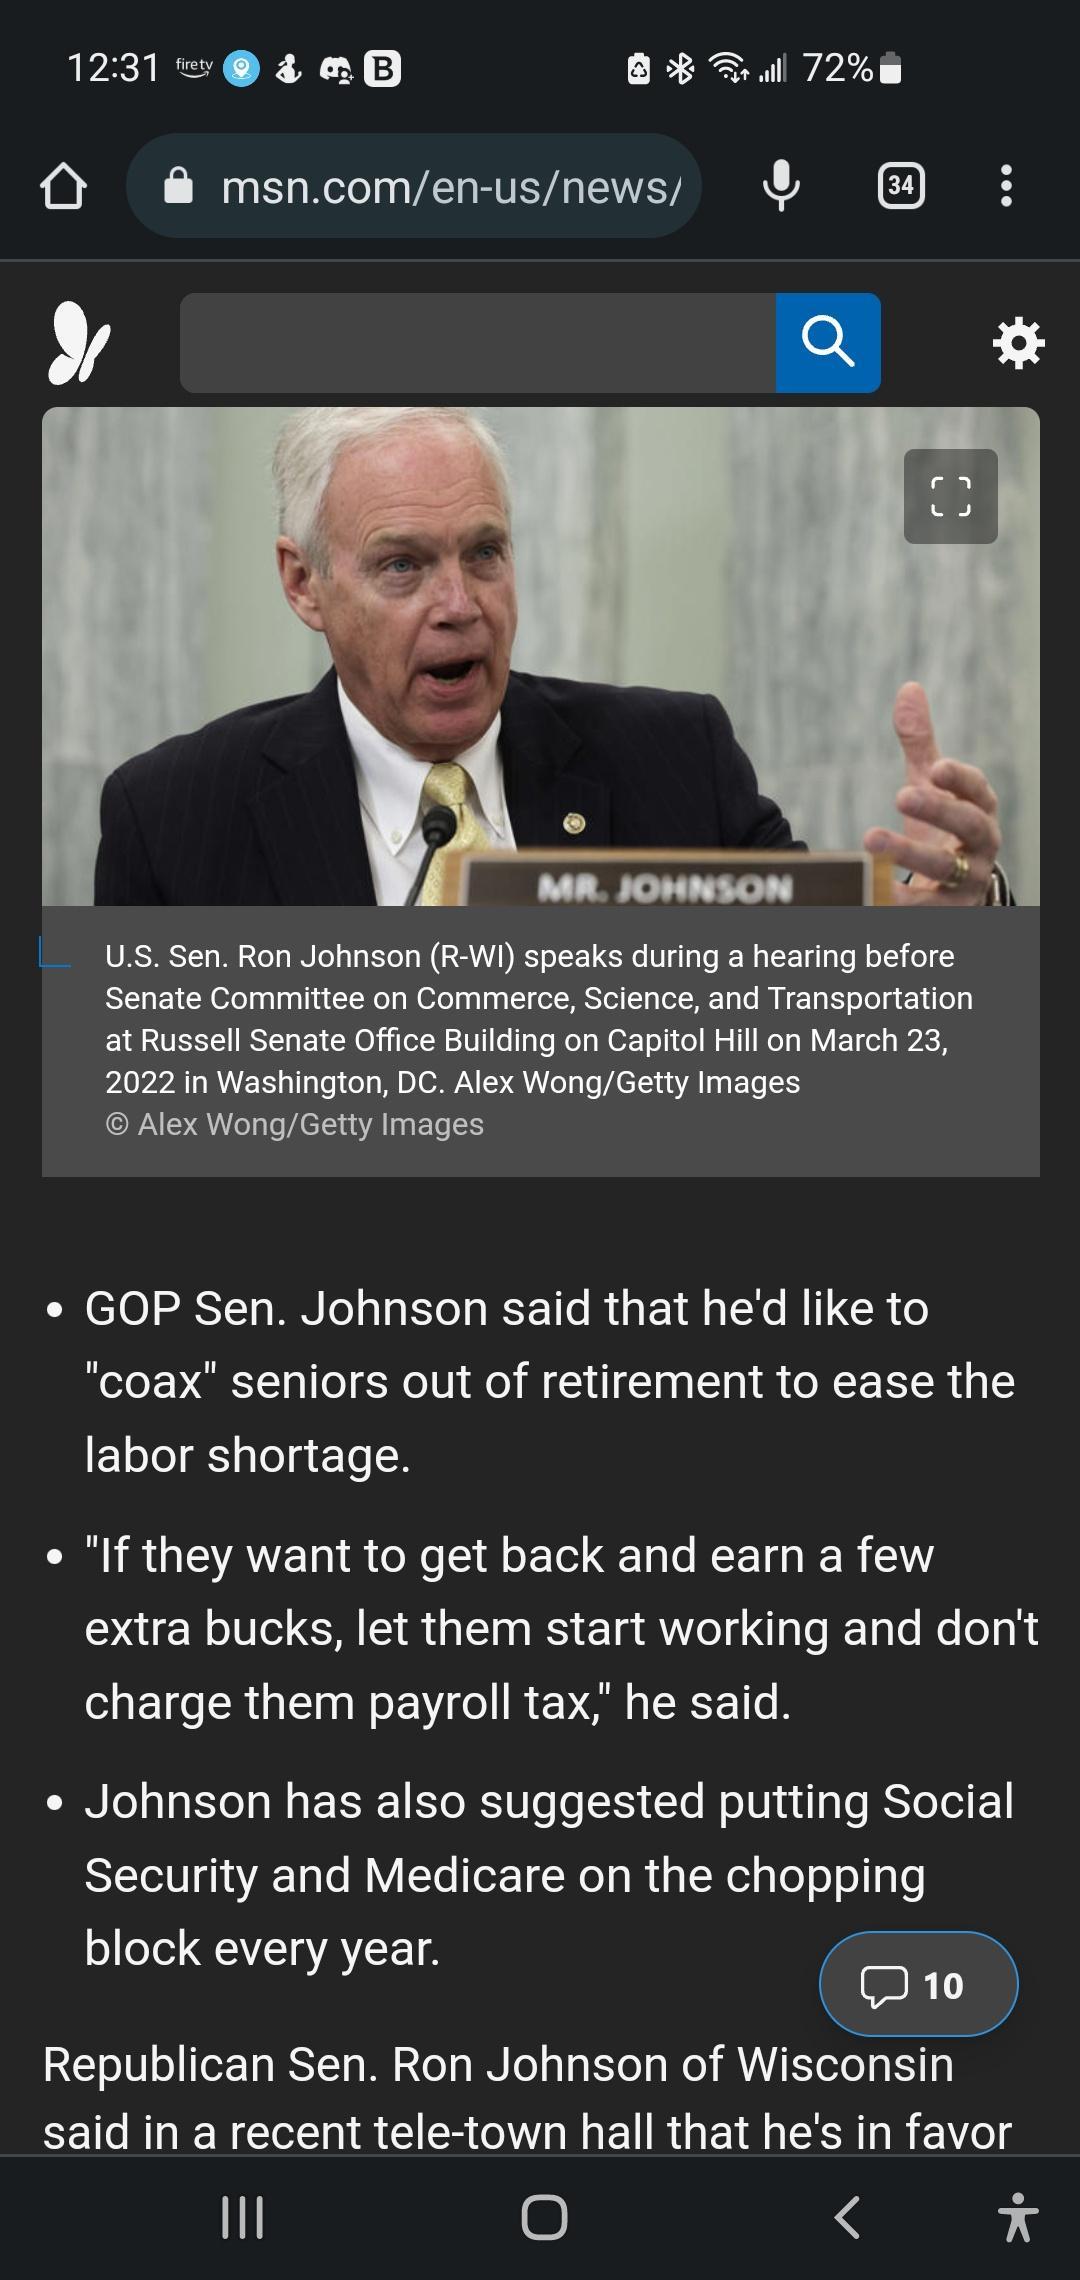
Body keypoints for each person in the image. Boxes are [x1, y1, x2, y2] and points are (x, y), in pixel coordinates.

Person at [94, 407, 1007, 907]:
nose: (461, 607)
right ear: (305, 586)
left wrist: (946, 935)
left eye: (484, 553)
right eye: (403, 566)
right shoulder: (174, 816)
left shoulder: (673, 758)